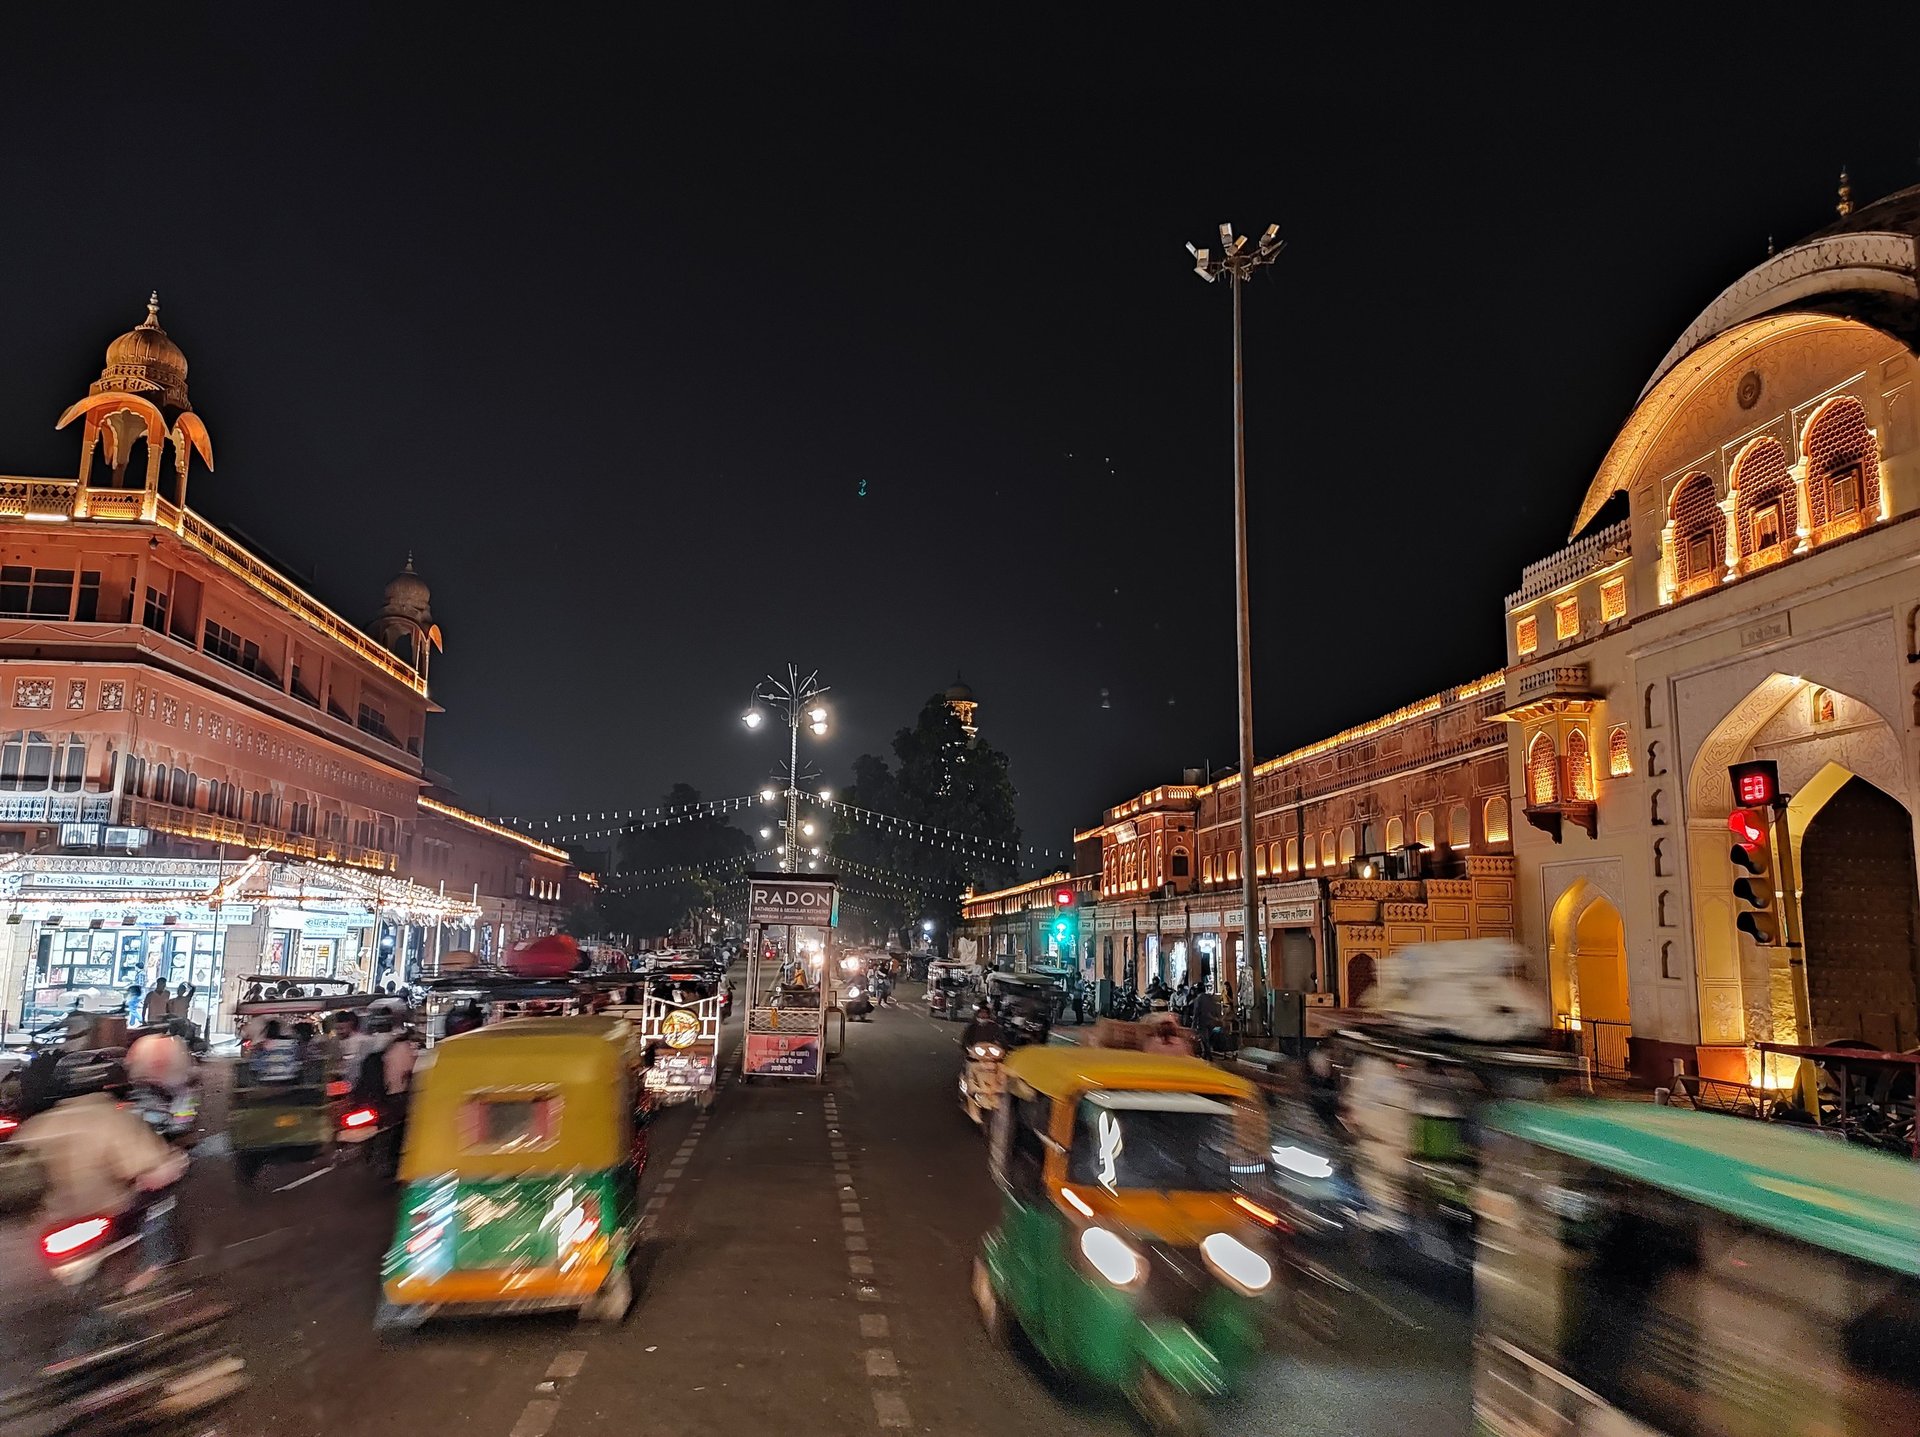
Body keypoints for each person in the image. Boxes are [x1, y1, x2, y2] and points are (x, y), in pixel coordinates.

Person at [14, 1053, 188, 1286]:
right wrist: (176, 1162)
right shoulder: (115, 1120)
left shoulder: (40, 1124)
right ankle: (152, 1268)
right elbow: (155, 1168)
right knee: (160, 1204)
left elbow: (18, 1170)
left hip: (53, 1221)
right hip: (104, 1217)